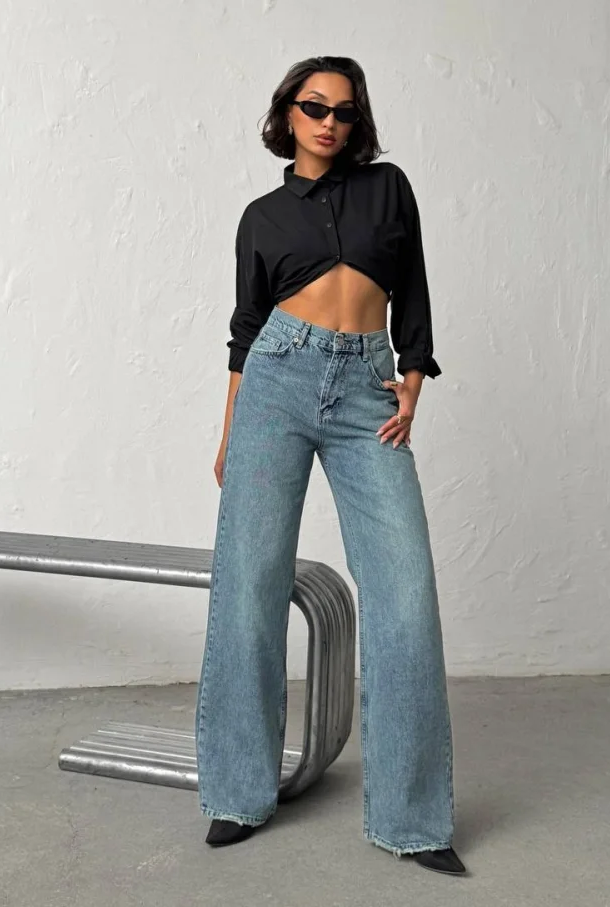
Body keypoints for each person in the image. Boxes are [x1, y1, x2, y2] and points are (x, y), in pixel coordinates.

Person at [194, 56, 467, 877]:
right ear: (288, 113)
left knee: (405, 593)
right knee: (250, 581)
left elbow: (413, 286)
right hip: (274, 382)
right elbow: (246, 331)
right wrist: (231, 430)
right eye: (314, 107)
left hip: (365, 387)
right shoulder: (261, 216)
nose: (328, 122)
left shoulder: (388, 188)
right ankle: (237, 791)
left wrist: (411, 380)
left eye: (344, 112)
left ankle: (413, 819)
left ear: (357, 122)